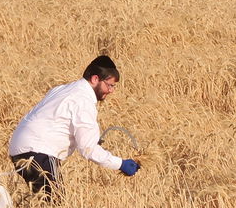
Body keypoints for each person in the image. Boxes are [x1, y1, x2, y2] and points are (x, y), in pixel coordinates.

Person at [7, 55, 140, 198]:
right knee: (54, 205)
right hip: (39, 152)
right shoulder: (83, 100)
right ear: (95, 79)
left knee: (44, 203)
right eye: (110, 85)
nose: (111, 90)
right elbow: (88, 149)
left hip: (20, 149)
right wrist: (121, 164)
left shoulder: (63, 89)